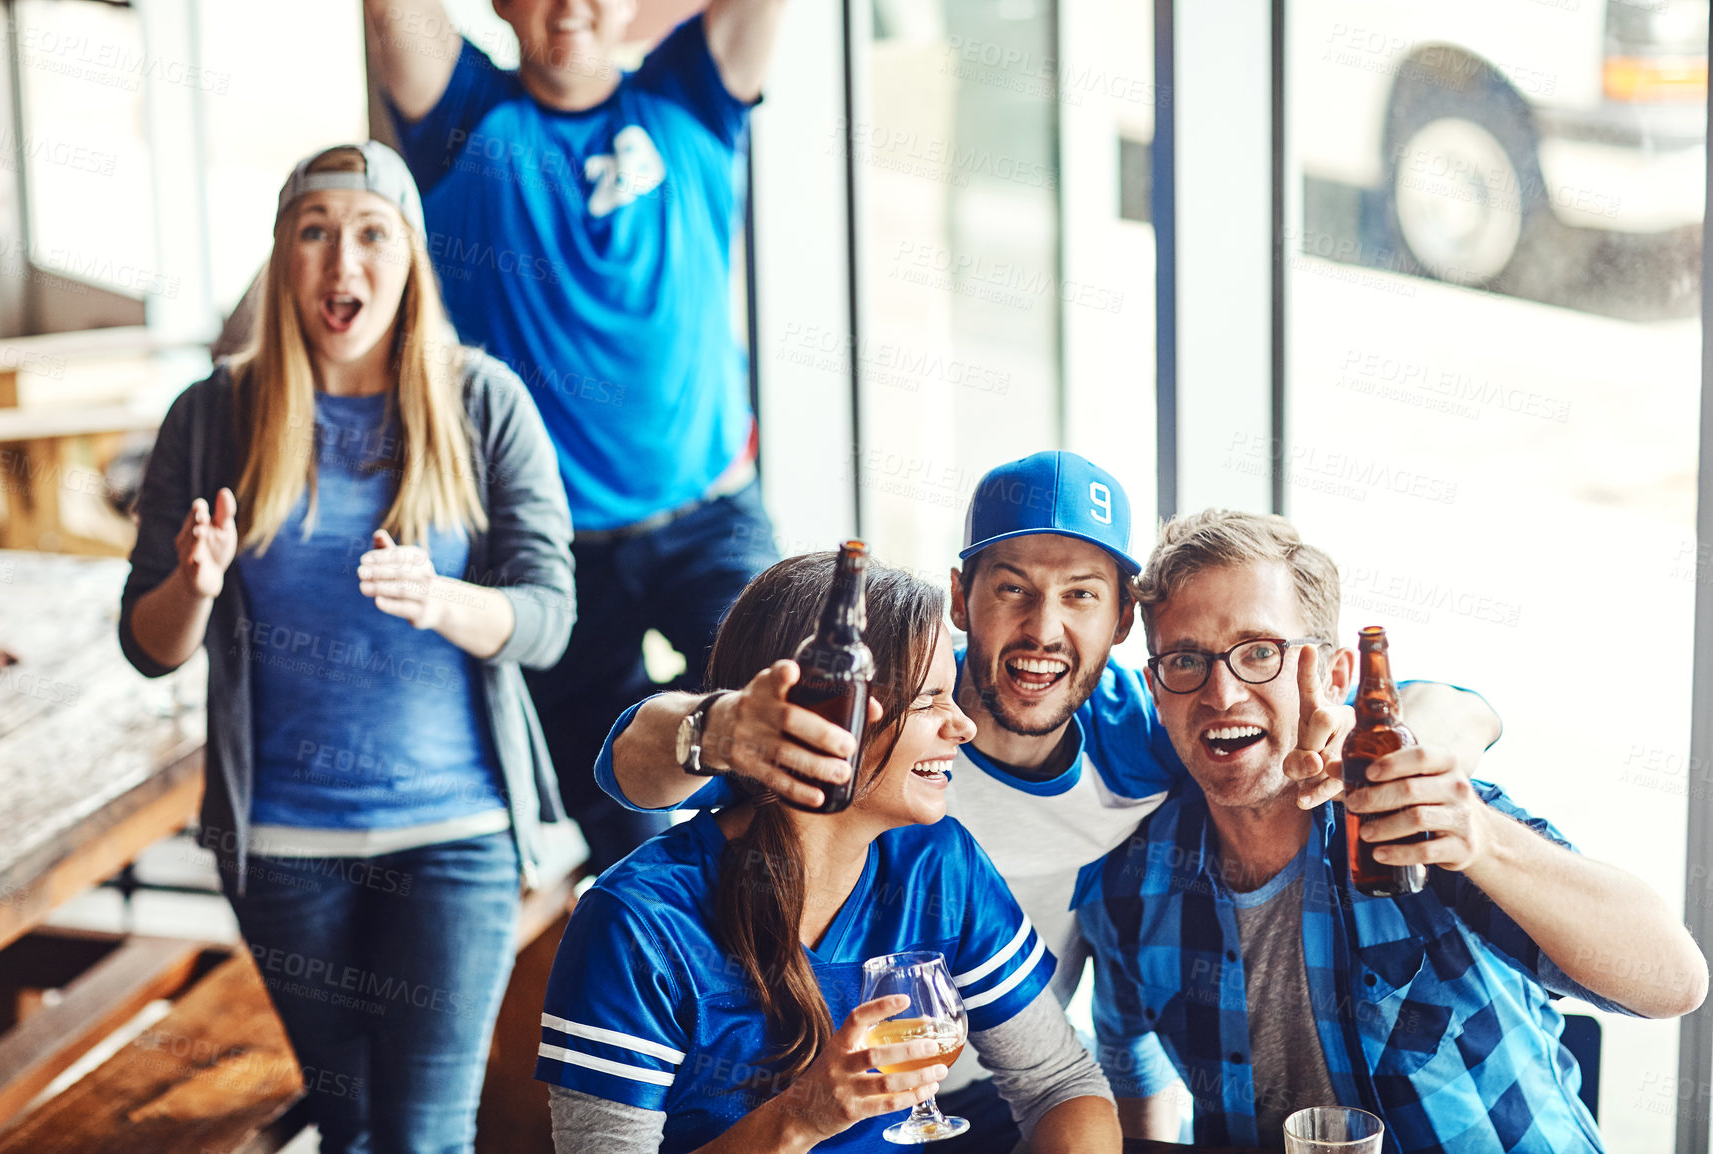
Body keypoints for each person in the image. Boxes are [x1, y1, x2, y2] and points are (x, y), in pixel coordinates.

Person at [594, 450, 1501, 1146]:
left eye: (1081, 596)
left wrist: (1422, 738)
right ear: (961, 597)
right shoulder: (880, 721)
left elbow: (1416, 698)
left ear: (1123, 620)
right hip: (774, 1088)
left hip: (993, 1091)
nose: (1043, 630)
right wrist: (710, 729)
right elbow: (628, 766)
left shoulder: (1154, 731)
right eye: (1012, 590)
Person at [119, 142, 576, 1154]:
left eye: (371, 233)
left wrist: (446, 599)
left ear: (410, 255)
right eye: (314, 232)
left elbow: (548, 616)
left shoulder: (483, 400)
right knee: (352, 1124)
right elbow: (148, 646)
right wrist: (193, 586)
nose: (343, 264)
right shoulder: (212, 416)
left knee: (423, 1135)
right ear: (282, 257)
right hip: (284, 847)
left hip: (457, 833)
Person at [1074, 509, 1710, 1149]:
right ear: (1157, 689)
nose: (1222, 694)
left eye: (1261, 652)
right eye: (1185, 661)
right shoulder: (1129, 886)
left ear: (1336, 676)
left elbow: (1674, 983)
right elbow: (1130, 1066)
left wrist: (1482, 840)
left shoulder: (1426, 816)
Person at [364, 0, 787, 875]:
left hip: (710, 522)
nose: (568, 8)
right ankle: (666, 999)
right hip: (550, 551)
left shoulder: (692, 97)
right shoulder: (464, 117)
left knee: (790, 758)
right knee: (622, 828)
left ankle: (784, 995)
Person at [538, 551, 1121, 1151]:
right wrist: (801, 1116)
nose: (963, 726)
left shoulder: (936, 862)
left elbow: (1059, 1083)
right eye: (927, 701)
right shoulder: (637, 921)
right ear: (821, 718)